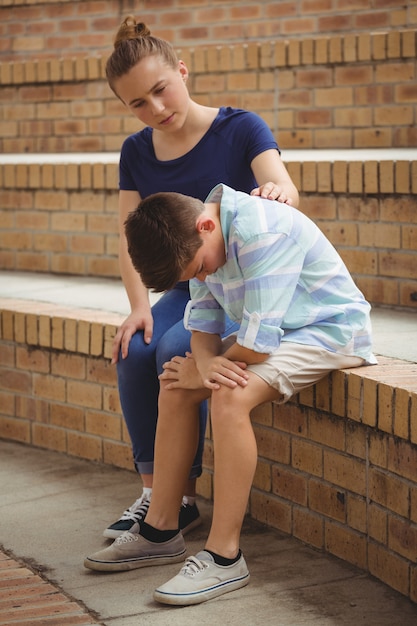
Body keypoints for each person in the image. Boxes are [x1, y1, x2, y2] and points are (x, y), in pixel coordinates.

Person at [84, 183, 377, 605]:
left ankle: (224, 557)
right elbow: (203, 320)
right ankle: (160, 529)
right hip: (278, 332)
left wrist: (205, 373)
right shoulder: (203, 238)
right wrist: (200, 365)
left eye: (200, 269)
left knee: (228, 393)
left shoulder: (262, 234)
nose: (203, 277)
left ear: (206, 225)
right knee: (175, 381)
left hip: (326, 331)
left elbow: (258, 345)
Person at [102, 15, 299, 539]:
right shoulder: (136, 151)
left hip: (238, 281)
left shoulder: (241, 128)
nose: (156, 109)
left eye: (160, 90)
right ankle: (160, 495)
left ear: (182, 71)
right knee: (137, 345)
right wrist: (138, 304)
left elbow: (283, 187)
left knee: (177, 352)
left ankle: (179, 495)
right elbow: (129, 236)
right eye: (138, 103)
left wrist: (277, 194)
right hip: (185, 283)